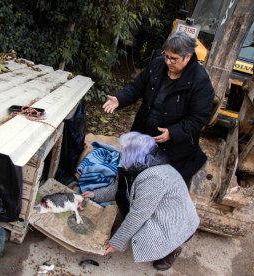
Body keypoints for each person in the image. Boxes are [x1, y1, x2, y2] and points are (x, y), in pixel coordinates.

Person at [103, 32, 215, 180]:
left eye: (174, 59)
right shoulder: (157, 65)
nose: (168, 62)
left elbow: (199, 118)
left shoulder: (200, 82)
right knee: (130, 171)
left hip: (171, 146)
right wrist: (120, 99)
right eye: (166, 56)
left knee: (154, 179)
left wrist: (173, 133)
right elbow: (137, 87)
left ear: (187, 57)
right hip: (143, 132)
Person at [83, 132, 199, 271]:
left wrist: (116, 243)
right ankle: (133, 230)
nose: (121, 152)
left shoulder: (154, 177)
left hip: (174, 222)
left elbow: (139, 214)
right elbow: (118, 187)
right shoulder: (137, 164)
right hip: (157, 208)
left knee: (148, 235)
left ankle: (172, 249)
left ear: (133, 153)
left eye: (124, 150)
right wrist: (95, 194)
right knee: (122, 196)